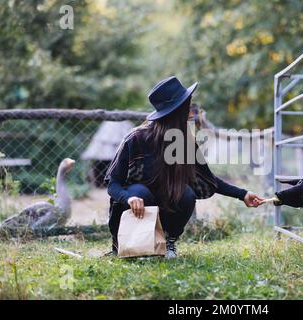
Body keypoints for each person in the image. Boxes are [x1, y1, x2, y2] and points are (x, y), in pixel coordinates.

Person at [105, 76, 265, 258]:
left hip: (162, 210)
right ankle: (130, 245)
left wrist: (242, 194)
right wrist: (129, 198)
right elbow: (112, 184)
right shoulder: (135, 139)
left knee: (186, 194)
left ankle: (167, 241)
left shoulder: (184, 142)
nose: (192, 114)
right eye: (188, 109)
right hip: (132, 215)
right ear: (176, 113)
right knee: (141, 193)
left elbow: (208, 179)